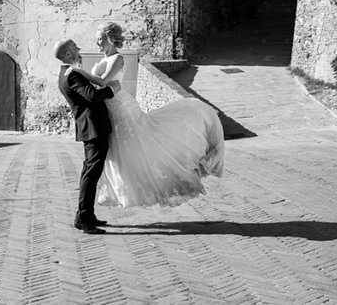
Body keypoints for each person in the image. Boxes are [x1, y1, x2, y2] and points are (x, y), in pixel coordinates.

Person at [86, 22, 225, 208]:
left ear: (110, 40)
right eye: (97, 40)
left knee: (139, 142)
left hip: (120, 105)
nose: (98, 43)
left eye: (100, 39)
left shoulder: (117, 59)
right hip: (109, 105)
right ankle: (128, 187)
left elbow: (103, 82)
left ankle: (165, 177)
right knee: (122, 148)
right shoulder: (105, 57)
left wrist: (78, 73)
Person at [54, 38, 121, 234]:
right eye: (75, 47)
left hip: (90, 128)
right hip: (94, 128)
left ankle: (87, 214)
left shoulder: (68, 73)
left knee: (89, 172)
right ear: (67, 54)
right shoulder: (72, 76)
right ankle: (82, 217)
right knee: (91, 174)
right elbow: (92, 96)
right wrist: (112, 90)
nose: (79, 48)